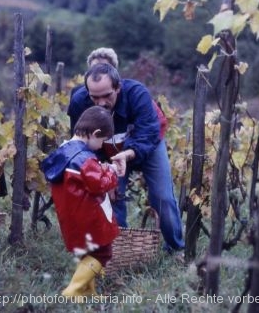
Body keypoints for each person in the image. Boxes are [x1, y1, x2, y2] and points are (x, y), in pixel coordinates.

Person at [68, 62, 185, 252]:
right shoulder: (79, 102)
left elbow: (148, 132)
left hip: (147, 144)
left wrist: (127, 154)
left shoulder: (137, 94)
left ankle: (176, 248)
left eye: (107, 96)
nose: (101, 103)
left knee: (162, 197)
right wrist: (103, 171)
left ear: (118, 87)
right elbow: (83, 142)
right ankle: (117, 250)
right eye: (94, 97)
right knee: (110, 197)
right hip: (107, 151)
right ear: (87, 91)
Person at [41, 106, 126, 299]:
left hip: (73, 216)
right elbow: (99, 185)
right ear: (95, 133)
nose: (101, 146)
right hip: (90, 217)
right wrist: (112, 173)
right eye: (102, 140)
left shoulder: (64, 151)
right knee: (102, 254)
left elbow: (85, 180)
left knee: (87, 252)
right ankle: (73, 290)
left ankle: (88, 291)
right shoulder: (85, 159)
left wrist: (102, 168)